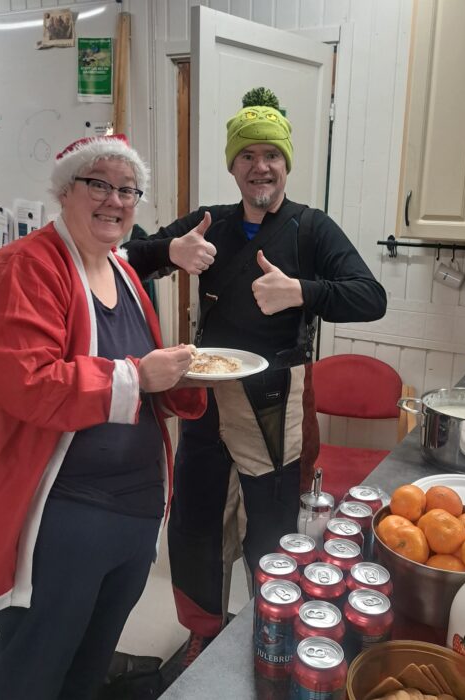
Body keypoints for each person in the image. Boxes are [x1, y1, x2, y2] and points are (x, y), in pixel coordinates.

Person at [0, 134, 207, 700]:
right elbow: (27, 383)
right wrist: (138, 375)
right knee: (33, 662)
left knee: (91, 660)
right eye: (99, 184)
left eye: (127, 190)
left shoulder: (125, 274)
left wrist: (182, 379)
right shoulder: (24, 267)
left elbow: (140, 378)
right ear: (65, 190)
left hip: (135, 510)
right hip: (64, 512)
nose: (115, 201)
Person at [123, 88, 387, 665]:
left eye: (271, 154)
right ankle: (202, 632)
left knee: (272, 527)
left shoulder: (312, 229)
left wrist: (301, 291)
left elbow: (371, 297)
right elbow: (125, 257)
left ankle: (271, 630)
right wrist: (169, 250)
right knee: (195, 522)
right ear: (232, 165)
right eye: (247, 155)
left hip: (278, 402)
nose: (259, 166)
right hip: (206, 397)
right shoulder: (209, 223)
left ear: (286, 163)